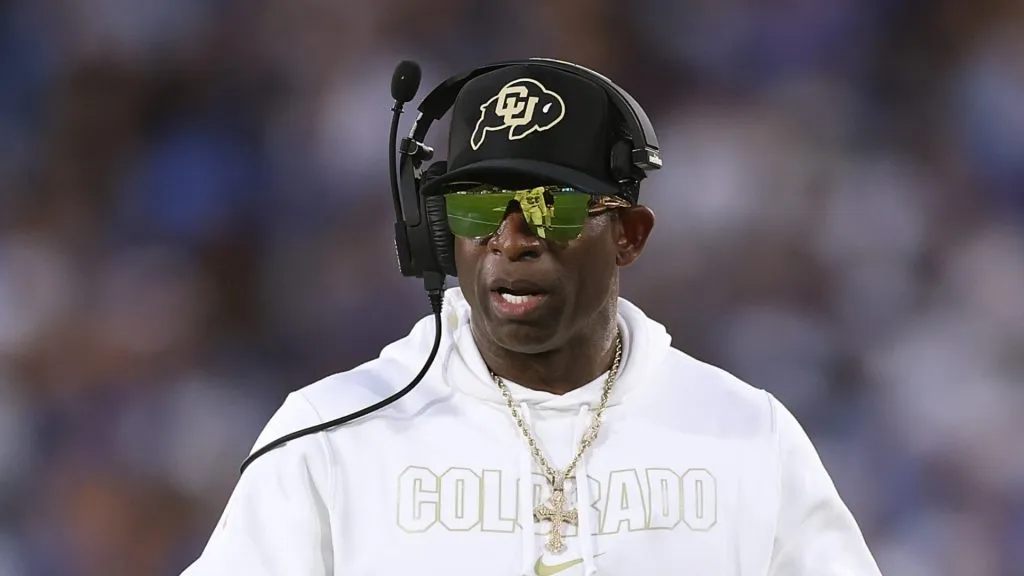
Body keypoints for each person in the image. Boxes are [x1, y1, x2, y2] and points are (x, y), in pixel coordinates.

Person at [180, 60, 882, 576]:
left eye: (553, 207)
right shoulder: (330, 435)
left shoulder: (745, 434)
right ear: (437, 233)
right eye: (478, 208)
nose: (511, 239)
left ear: (630, 234)